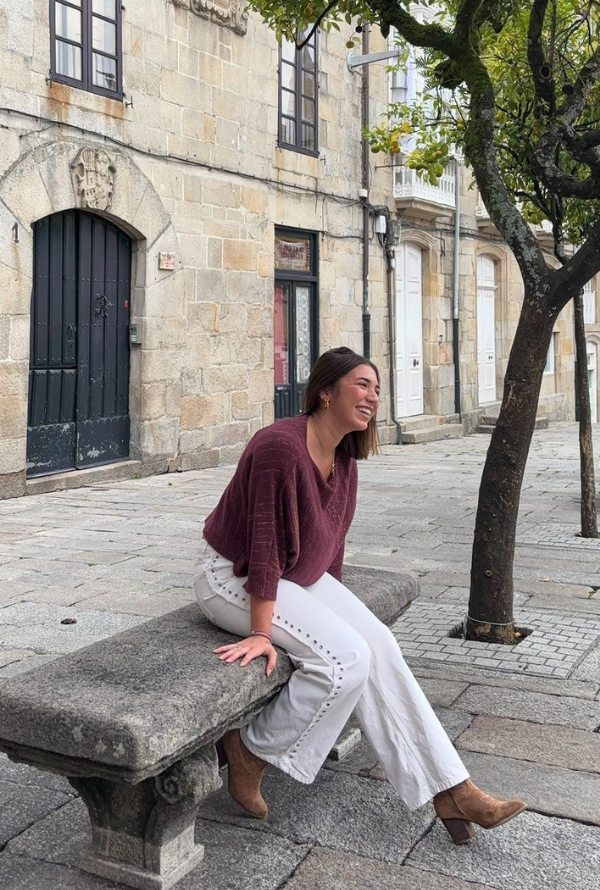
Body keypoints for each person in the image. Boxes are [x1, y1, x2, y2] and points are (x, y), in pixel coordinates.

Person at [193, 346, 525, 846]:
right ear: (325, 392)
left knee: (379, 646)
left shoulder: (345, 458)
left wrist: (339, 609)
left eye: (376, 388)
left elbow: (330, 546)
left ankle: (451, 789)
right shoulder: (280, 447)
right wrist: (262, 632)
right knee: (344, 660)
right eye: (361, 384)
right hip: (231, 577)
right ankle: (249, 752)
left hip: (293, 577)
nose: (372, 396)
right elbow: (262, 543)